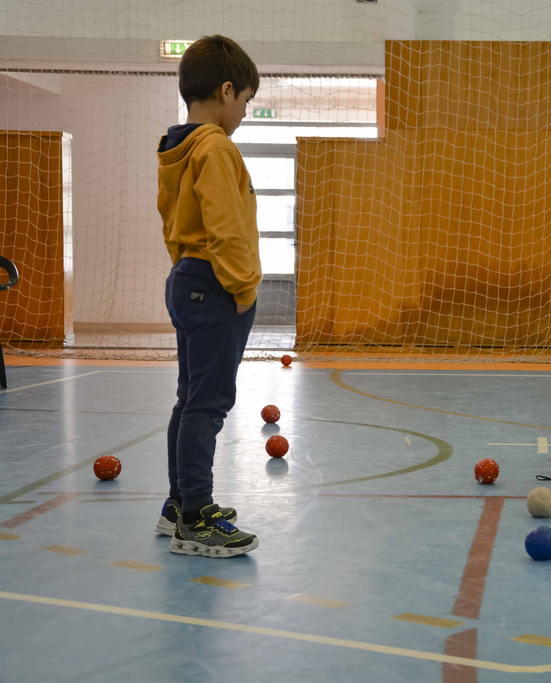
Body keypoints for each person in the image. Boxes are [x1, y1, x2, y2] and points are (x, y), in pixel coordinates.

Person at [155, 35, 261, 556]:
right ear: (226, 90)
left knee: (190, 398)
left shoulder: (177, 145)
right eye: (244, 101)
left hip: (187, 278)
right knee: (208, 403)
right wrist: (242, 289)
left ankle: (178, 504)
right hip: (217, 284)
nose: (242, 111)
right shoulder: (216, 146)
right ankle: (196, 517)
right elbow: (226, 227)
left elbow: (172, 220)